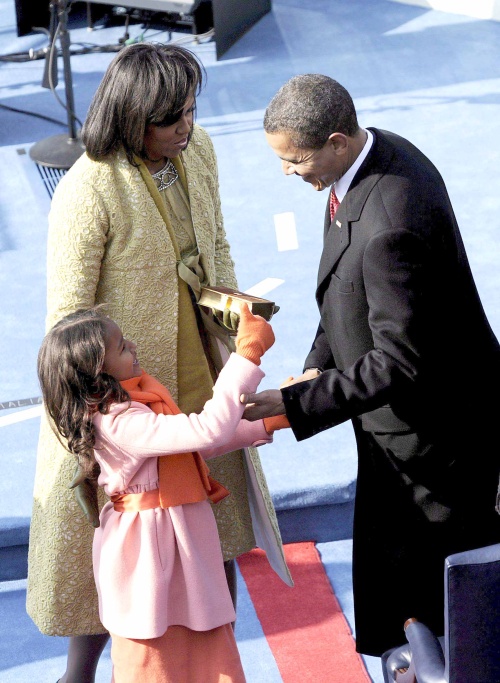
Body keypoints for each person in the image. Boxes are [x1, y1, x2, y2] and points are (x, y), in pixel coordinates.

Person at [27, 42, 289, 683]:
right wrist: (97, 411)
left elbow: (216, 247)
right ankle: (79, 675)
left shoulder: (197, 152)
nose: (187, 129)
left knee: (213, 524)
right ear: (132, 116)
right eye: (173, 120)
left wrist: (239, 325)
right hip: (118, 397)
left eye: (192, 113)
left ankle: (212, 655)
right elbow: (67, 319)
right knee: (106, 551)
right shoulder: (88, 189)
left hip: (199, 364)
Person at [242, 74, 500, 657]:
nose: (289, 173)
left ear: (336, 141)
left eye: (296, 161)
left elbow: (400, 361)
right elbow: (345, 293)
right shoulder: (369, 161)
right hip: (404, 430)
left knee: (441, 613)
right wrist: (315, 367)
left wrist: (295, 404)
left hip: (434, 448)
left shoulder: (389, 222)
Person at [36, 304, 286, 682]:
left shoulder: (129, 406)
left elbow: (187, 447)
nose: (133, 346)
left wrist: (267, 421)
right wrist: (246, 355)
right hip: (150, 557)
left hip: (174, 545)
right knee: (153, 656)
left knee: (202, 649)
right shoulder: (120, 421)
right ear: (97, 372)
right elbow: (207, 431)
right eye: (121, 347)